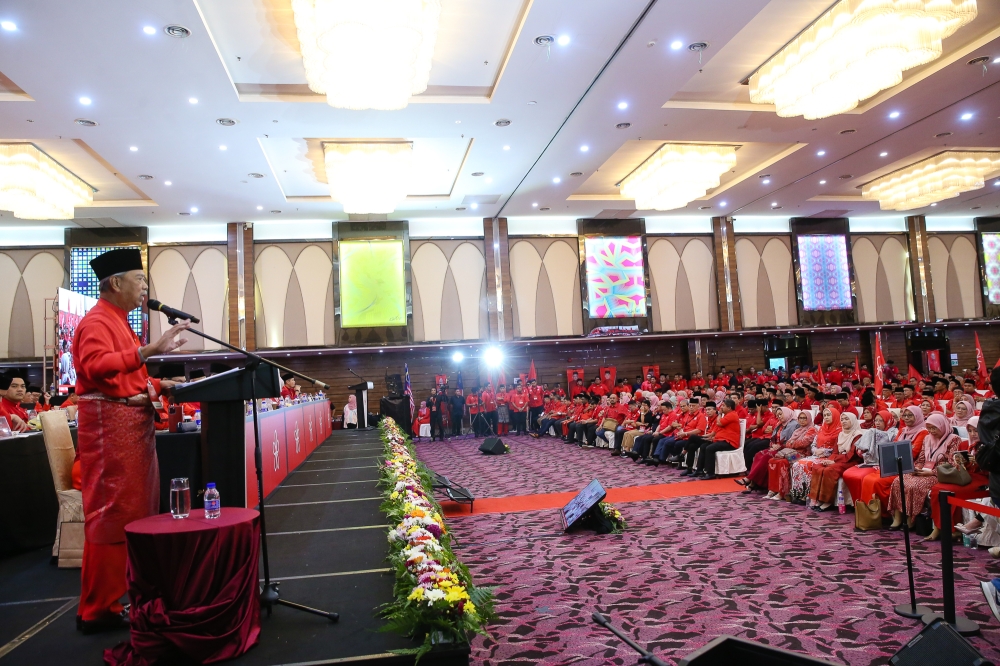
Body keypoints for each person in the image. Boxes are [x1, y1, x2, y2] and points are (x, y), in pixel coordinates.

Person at [72, 248, 189, 634]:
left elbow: (125, 379)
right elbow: (94, 369)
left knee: (132, 514)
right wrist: (150, 350)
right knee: (112, 516)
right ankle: (97, 608)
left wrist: (159, 382)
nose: (144, 287)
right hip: (109, 431)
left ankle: (117, 598)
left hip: (129, 428)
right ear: (116, 282)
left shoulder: (120, 320)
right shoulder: (96, 322)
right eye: (139, 279)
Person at [887, 413, 961, 529]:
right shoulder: (927, 438)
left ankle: (911, 518)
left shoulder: (954, 439)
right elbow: (921, 459)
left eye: (934, 428)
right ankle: (898, 517)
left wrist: (932, 472)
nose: (931, 431)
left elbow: (952, 464)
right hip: (923, 471)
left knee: (914, 485)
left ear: (942, 426)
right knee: (898, 481)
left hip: (939, 473)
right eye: (929, 428)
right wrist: (916, 468)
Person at [808, 411, 863, 510]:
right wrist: (829, 460)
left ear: (853, 421)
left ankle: (828, 501)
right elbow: (835, 451)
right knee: (818, 467)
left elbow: (851, 454)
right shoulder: (841, 434)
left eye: (847, 419)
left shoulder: (857, 435)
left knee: (829, 470)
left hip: (851, 462)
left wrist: (834, 461)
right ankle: (818, 498)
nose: (844, 421)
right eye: (842, 419)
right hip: (839, 460)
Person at [765, 412, 818, 500]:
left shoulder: (812, 430)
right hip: (792, 452)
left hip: (802, 455)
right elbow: (788, 443)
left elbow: (803, 443)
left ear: (808, 419)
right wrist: (792, 444)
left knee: (783, 462)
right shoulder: (798, 430)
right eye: (800, 418)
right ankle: (773, 489)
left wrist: (792, 443)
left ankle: (783, 491)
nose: (802, 420)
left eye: (804, 418)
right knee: (773, 461)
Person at [685, 399, 741, 480]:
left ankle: (710, 473)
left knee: (709, 448)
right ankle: (700, 470)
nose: (721, 407)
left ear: (729, 408)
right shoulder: (726, 415)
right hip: (720, 439)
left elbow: (719, 423)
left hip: (729, 442)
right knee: (704, 446)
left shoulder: (731, 415)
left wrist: (719, 414)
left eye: (723, 406)